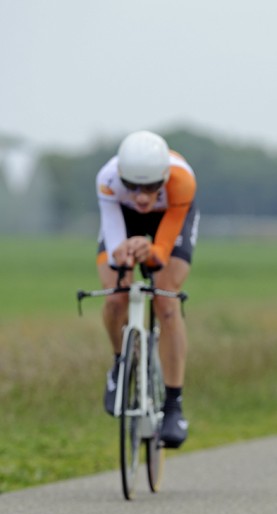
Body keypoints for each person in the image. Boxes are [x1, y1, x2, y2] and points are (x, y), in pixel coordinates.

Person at [96, 130, 199, 448]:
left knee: (166, 301)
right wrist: (122, 254)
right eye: (133, 186)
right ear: (121, 177)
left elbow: (162, 251)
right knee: (116, 298)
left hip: (167, 221)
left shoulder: (182, 180)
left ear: (164, 178)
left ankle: (173, 405)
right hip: (125, 222)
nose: (141, 196)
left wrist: (151, 251)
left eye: (152, 187)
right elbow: (114, 242)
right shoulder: (108, 179)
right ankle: (119, 365)